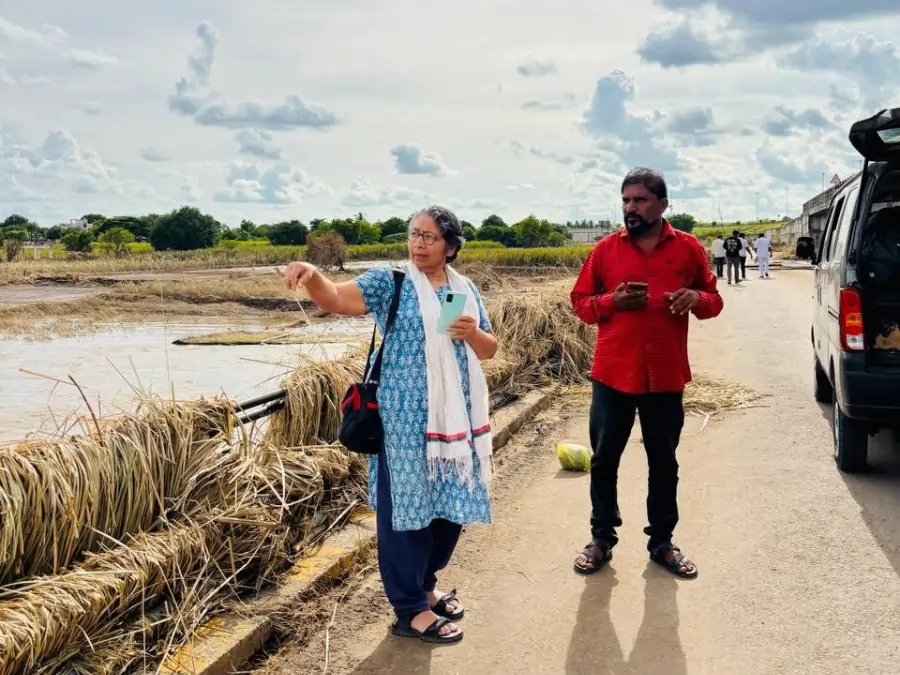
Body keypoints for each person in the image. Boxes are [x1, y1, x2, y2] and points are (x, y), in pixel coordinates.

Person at [283, 206, 498, 645]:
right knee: (407, 512)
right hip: (402, 422)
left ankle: (425, 584)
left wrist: (471, 333)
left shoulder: (464, 289)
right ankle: (410, 609)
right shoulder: (392, 282)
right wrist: (312, 275)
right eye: (414, 234)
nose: (418, 243)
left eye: (430, 237)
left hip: (455, 423)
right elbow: (339, 300)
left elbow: (489, 349)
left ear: (451, 247)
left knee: (448, 508)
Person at [570, 168, 724, 579]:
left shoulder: (688, 249)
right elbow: (581, 304)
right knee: (604, 462)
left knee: (664, 463)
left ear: (662, 205)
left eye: (639, 200)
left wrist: (696, 297)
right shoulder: (605, 251)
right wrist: (613, 301)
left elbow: (714, 301)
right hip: (613, 376)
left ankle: (662, 542)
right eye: (625, 200)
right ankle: (602, 539)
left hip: (666, 376)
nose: (630, 207)